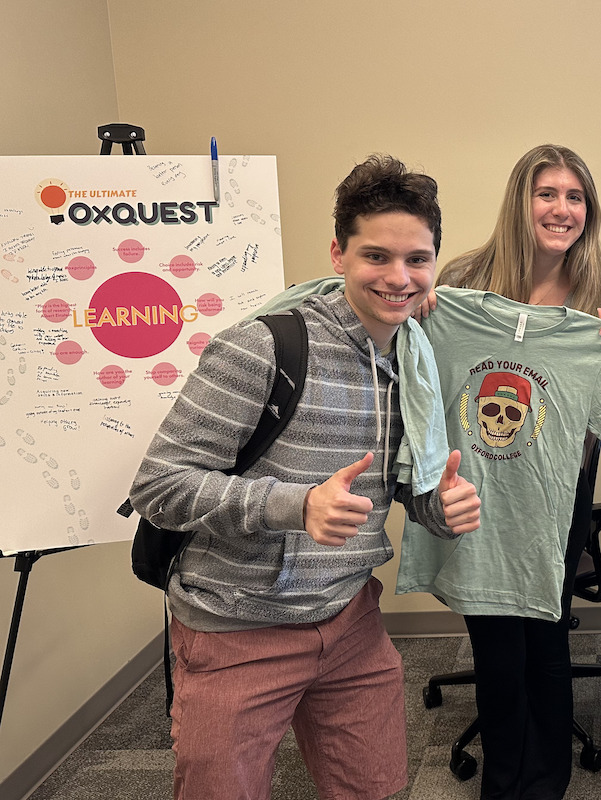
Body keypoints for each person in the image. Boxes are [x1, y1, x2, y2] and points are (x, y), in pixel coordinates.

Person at [129, 154, 481, 800]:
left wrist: (438, 507)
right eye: (376, 257)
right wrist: (294, 505)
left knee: (376, 789)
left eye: (417, 259)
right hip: (236, 628)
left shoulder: (413, 356)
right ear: (338, 253)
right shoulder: (263, 347)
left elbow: (394, 486)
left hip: (349, 620)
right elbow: (158, 485)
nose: (399, 278)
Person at [420, 143, 601, 800]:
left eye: (575, 197)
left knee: (544, 631)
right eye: (548, 193)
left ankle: (545, 778)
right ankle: (504, 774)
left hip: (553, 490)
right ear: (521, 201)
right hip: (473, 486)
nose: (562, 209)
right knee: (493, 639)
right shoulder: (463, 279)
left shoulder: (598, 297)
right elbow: (418, 373)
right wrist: (418, 317)